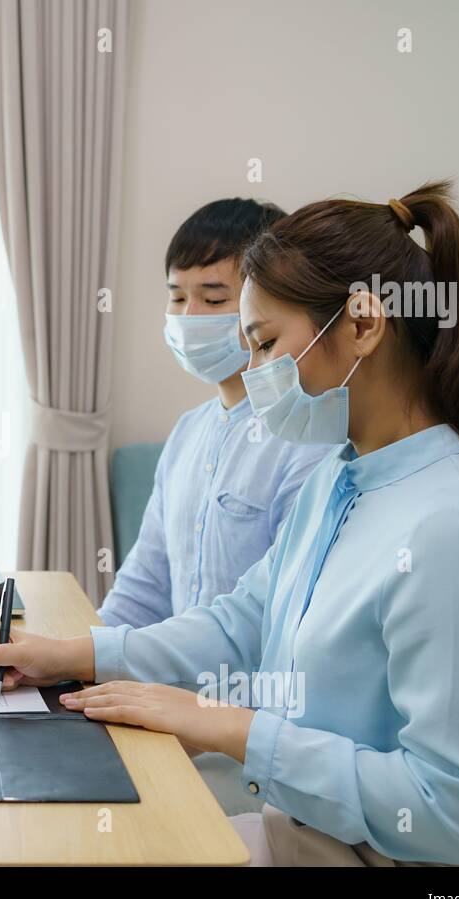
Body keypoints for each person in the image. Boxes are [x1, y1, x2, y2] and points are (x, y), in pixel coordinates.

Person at [0, 182, 459, 866]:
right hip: (315, 837)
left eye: (263, 344)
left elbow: (457, 811)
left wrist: (234, 727)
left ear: (362, 324)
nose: (253, 372)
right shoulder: (338, 477)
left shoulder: (456, 524)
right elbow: (242, 621)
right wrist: (73, 653)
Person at [100, 198, 331, 814]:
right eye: (176, 298)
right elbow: (144, 587)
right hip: (161, 714)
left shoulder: (309, 442)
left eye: (212, 296)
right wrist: (73, 661)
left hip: (246, 747)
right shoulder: (187, 434)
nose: (188, 316)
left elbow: (275, 627)